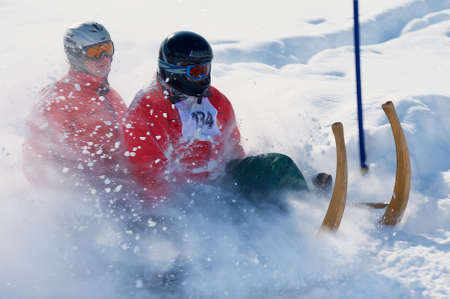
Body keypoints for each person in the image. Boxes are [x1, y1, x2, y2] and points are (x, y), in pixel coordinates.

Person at [124, 31, 330, 204]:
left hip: (223, 183)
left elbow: (231, 146)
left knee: (278, 165)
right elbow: (147, 172)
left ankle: (307, 204)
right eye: (197, 71)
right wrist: (171, 213)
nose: (204, 77)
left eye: (206, 69)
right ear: (174, 70)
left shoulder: (216, 101)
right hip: (187, 198)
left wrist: (251, 175)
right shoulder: (148, 108)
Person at [23, 22, 129, 195]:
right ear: (75, 55)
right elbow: (35, 161)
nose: (105, 58)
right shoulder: (57, 100)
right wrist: (69, 204)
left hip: (120, 191)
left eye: (108, 49)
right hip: (84, 200)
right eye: (95, 52)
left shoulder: (110, 95)